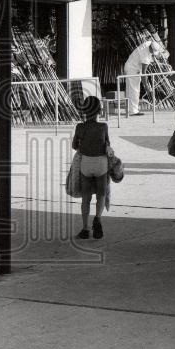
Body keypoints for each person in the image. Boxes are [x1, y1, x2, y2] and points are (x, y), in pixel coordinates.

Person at [72, 95, 111, 240]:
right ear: (99, 111)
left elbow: (74, 145)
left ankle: (85, 228)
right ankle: (98, 218)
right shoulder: (103, 127)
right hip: (101, 163)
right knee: (101, 194)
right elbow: (107, 144)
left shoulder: (80, 127)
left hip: (86, 163)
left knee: (86, 197)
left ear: (84, 111)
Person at [123, 39, 165, 116]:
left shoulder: (149, 43)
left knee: (130, 89)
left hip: (130, 66)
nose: (153, 54)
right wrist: (147, 87)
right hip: (132, 69)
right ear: (151, 49)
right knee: (134, 90)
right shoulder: (145, 56)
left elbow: (152, 45)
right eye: (152, 52)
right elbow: (144, 73)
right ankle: (133, 111)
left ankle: (130, 109)